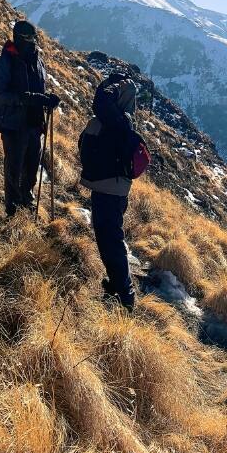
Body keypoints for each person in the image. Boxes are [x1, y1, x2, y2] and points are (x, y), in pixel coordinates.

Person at [79, 75, 149, 309]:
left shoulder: (114, 123)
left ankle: (125, 295)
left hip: (108, 189)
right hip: (115, 189)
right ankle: (117, 284)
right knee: (110, 237)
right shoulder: (122, 122)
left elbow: (86, 142)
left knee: (110, 239)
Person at [0, 20, 60, 218]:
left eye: (34, 38)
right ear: (18, 37)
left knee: (31, 165)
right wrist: (26, 98)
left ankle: (26, 201)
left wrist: (47, 100)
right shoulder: (5, 61)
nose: (33, 42)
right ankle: (12, 211)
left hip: (34, 124)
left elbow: (39, 89)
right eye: (29, 38)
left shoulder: (38, 59)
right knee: (14, 167)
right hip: (13, 124)